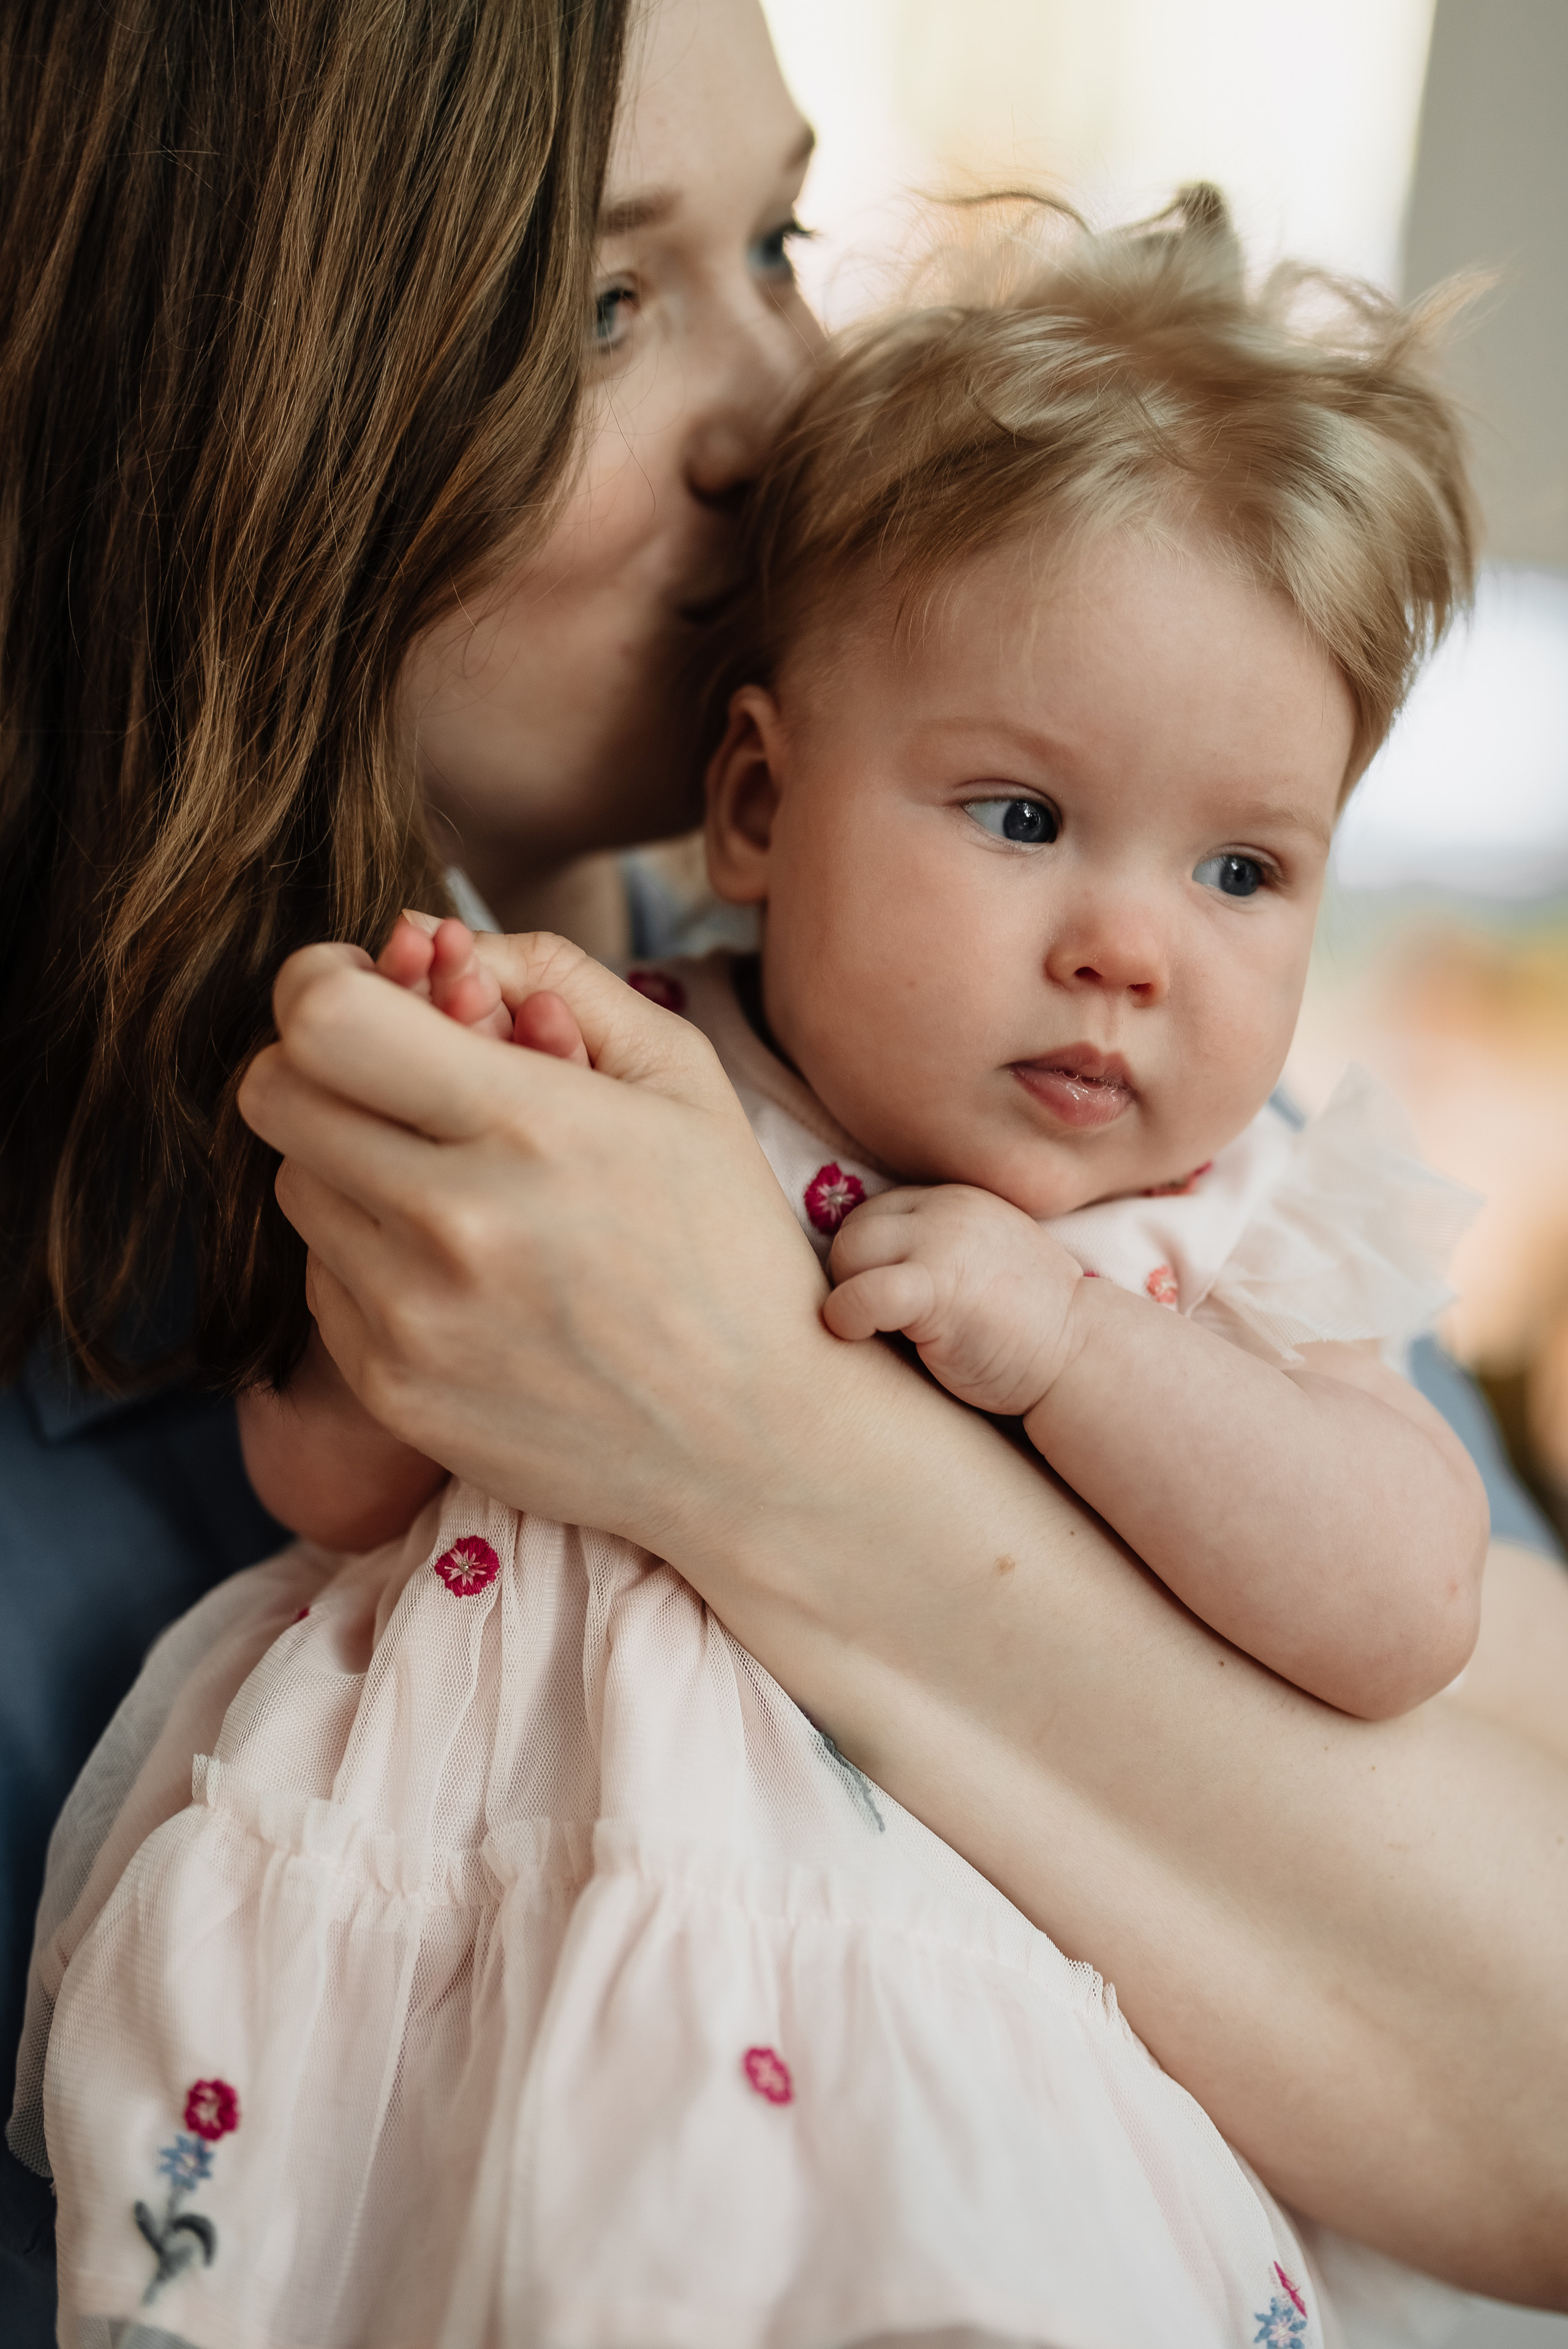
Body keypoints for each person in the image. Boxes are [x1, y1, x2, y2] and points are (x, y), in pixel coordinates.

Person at [2, 0, 1567, 2331]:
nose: (795, 403)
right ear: (224, 404)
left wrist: (754, 1419)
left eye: (781, 239)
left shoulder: (1095, 1166)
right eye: (611, 302)